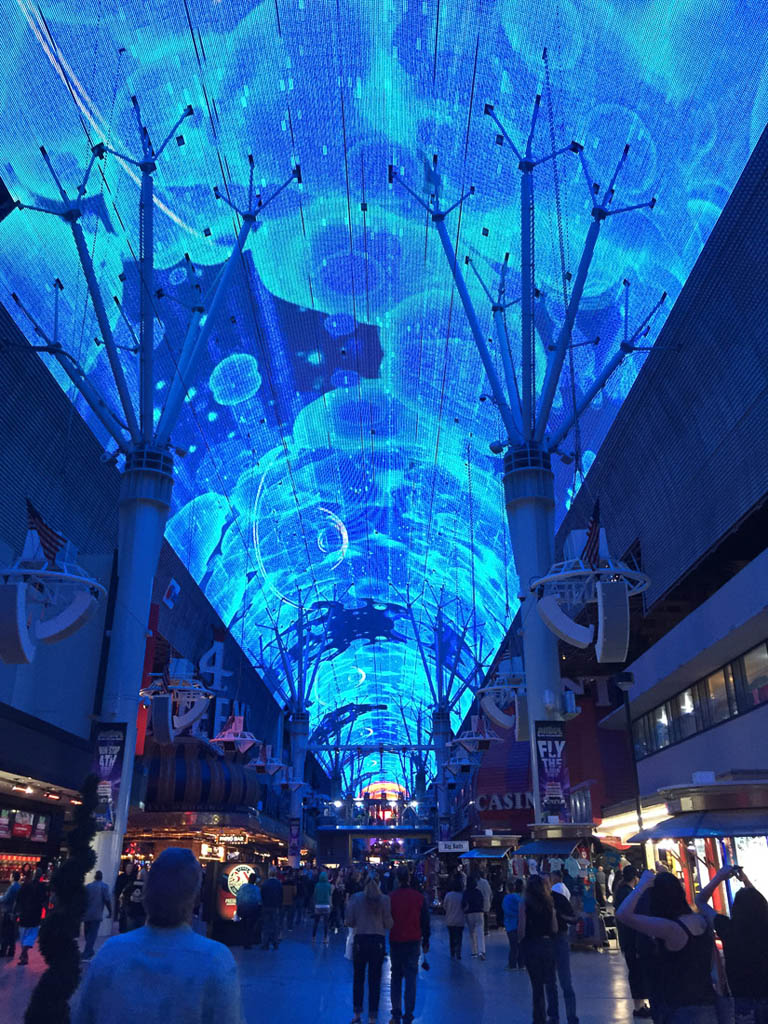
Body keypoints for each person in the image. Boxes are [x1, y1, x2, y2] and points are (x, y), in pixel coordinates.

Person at [73, 848, 242, 1024]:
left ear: (146, 894)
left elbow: (83, 1016)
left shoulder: (110, 953)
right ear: (195, 898)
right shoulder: (215, 960)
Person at [616, 868, 718, 1024]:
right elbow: (701, 900)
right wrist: (720, 876)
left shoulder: (670, 929)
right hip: (708, 1002)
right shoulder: (702, 921)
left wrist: (642, 885)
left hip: (679, 1006)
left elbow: (623, 914)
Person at [696, 865, 768, 1023]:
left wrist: (719, 877)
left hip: (742, 998)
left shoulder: (728, 928)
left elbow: (700, 901)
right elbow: (761, 905)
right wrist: (746, 881)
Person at [345, 872, 393, 1024]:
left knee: (358, 978)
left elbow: (349, 921)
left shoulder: (356, 898)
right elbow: (389, 924)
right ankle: (373, 1017)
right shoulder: (384, 900)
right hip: (377, 941)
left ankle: (357, 1014)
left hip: (360, 940)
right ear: (379, 883)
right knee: (375, 980)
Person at [389, 866, 430, 1024]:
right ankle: (409, 1014)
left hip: (396, 940)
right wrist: (426, 940)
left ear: (398, 879)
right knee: (411, 977)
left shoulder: (391, 897)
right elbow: (425, 921)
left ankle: (396, 1013)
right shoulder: (419, 897)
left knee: (396, 976)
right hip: (414, 941)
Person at [614, 865, 653, 1019]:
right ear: (635, 878)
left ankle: (641, 1004)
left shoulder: (621, 891)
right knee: (637, 972)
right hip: (632, 939)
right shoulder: (629, 893)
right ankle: (639, 1006)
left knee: (636, 972)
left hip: (627, 938)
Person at [519, 874, 558, 1024]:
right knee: (550, 982)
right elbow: (554, 928)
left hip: (531, 944)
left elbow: (521, 928)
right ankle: (554, 1016)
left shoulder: (525, 903)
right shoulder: (549, 903)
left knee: (536, 986)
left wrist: (520, 942)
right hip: (547, 944)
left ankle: (538, 1018)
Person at [551, 877, 580, 1024]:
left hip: (558, 939)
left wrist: (558, 915)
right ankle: (556, 1016)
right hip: (550, 940)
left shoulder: (558, 899)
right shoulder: (541, 900)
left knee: (563, 981)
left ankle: (570, 1017)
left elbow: (574, 918)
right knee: (552, 982)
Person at [16, 868, 47, 966]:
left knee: (23, 936)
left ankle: (24, 956)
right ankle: (24, 953)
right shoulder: (42, 887)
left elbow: (19, 899)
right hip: (35, 916)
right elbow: (44, 901)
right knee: (31, 936)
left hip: (24, 915)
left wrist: (17, 912)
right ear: (41, 876)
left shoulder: (25, 885)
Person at [82, 870, 112, 960]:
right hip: (96, 914)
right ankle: (88, 952)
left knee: (87, 933)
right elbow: (107, 900)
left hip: (87, 914)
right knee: (92, 934)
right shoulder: (104, 887)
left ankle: (88, 950)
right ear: (101, 877)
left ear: (95, 877)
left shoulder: (88, 886)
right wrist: (110, 911)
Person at [461, 874, 486, 960]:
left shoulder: (466, 892)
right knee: (480, 932)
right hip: (479, 912)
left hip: (469, 913)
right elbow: (482, 901)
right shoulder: (478, 892)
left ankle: (474, 951)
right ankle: (481, 951)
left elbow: (463, 904)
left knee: (472, 933)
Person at [502, 879, 524, 970]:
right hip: (519, 924)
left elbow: (505, 910)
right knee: (520, 946)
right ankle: (521, 964)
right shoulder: (519, 898)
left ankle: (512, 965)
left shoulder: (506, 899)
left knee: (513, 946)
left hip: (510, 925)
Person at [236, 874, 261, 949]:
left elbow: (238, 897)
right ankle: (248, 942)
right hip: (252, 910)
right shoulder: (256, 889)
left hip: (242, 909)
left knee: (244, 926)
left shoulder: (243, 887)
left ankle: (244, 941)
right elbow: (259, 900)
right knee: (250, 927)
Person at [260, 866, 283, 950]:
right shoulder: (279, 884)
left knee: (266, 925)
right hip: (275, 906)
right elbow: (281, 896)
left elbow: (261, 895)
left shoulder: (265, 884)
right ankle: (275, 943)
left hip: (266, 906)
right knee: (275, 925)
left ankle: (265, 944)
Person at [443, 878, 465, 960]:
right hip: (460, 920)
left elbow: (444, 907)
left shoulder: (448, 895)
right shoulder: (462, 896)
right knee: (459, 937)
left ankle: (452, 952)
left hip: (450, 920)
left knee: (451, 937)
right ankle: (458, 953)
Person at [0, 871, 21, 958]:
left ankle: (3, 951)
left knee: (5, 932)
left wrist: (0, 897)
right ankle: (11, 951)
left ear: (12, 877)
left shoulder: (12, 887)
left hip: (8, 912)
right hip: (14, 912)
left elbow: (5, 899)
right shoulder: (19, 886)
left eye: (11, 875)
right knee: (11, 932)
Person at [122, 864, 148, 932]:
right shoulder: (148, 887)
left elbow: (124, 894)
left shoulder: (131, 884)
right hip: (142, 912)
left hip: (132, 911)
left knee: (130, 932)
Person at [312, 869, 332, 944]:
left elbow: (315, 895)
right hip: (326, 905)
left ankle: (313, 937)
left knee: (316, 922)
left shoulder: (317, 885)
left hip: (318, 905)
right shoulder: (328, 885)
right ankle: (325, 938)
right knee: (326, 923)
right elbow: (330, 895)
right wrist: (330, 904)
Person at [114, 861, 135, 933]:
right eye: (128, 867)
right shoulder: (121, 877)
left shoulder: (133, 877)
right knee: (123, 916)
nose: (129, 869)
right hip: (123, 900)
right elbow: (117, 889)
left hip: (131, 901)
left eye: (131, 867)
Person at [475, 869, 493, 934]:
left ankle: (482, 929)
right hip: (487, 902)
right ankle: (486, 929)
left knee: (481, 918)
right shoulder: (486, 882)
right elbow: (490, 892)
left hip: (480, 904)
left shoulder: (477, 883)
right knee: (486, 917)